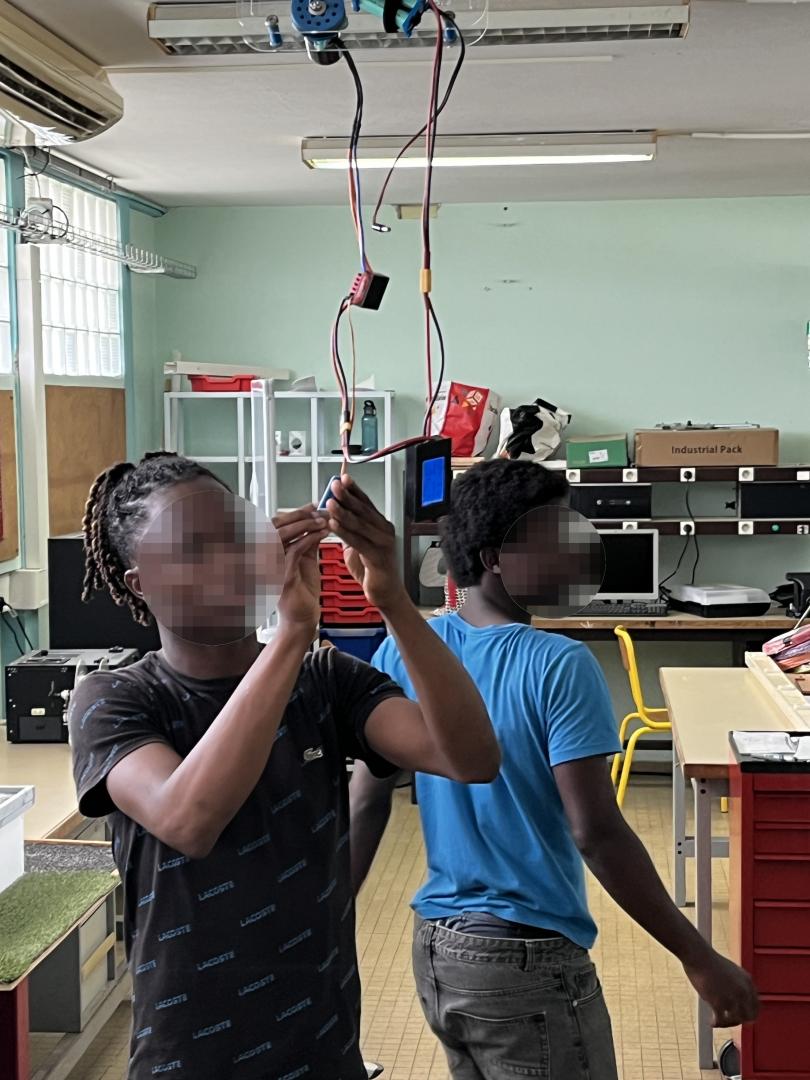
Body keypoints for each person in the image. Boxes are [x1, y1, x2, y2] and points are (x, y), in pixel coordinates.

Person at [69, 452, 499, 1080]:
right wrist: (295, 630)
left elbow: (471, 758)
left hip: (321, 1043)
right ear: (140, 583)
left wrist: (393, 600)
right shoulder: (115, 699)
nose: (226, 561)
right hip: (188, 1056)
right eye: (193, 549)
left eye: (233, 535)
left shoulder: (324, 679)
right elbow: (188, 819)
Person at [350, 458, 759, 1080]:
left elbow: (363, 801)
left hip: (439, 951)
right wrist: (698, 956)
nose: (578, 554)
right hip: (526, 956)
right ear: (494, 558)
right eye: (554, 539)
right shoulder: (559, 664)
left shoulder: (404, 650)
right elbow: (596, 832)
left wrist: (326, 927)